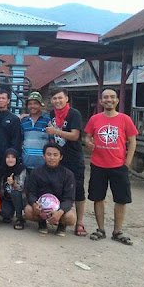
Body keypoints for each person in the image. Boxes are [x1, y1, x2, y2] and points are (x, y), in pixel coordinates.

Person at [84, 88, 138, 246]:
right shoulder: (95, 119)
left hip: (118, 165)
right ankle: (100, 229)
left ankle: (117, 231)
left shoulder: (125, 119)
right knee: (97, 197)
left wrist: (127, 162)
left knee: (121, 199)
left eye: (112, 97)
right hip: (98, 164)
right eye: (106, 97)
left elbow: (132, 141)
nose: (109, 99)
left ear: (117, 100)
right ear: (101, 101)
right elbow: (87, 136)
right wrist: (88, 142)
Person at [46, 87, 87, 236]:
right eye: (54, 98)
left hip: (74, 158)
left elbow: (75, 136)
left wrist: (55, 131)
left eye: (60, 98)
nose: (57, 101)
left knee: (78, 191)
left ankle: (80, 222)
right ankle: (58, 220)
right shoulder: (52, 114)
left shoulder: (74, 114)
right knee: (58, 189)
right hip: (57, 158)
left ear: (66, 99)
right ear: (51, 100)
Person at [24, 143, 77, 236]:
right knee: (28, 210)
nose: (52, 158)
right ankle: (42, 223)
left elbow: (69, 198)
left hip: (59, 209)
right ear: (44, 156)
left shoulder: (68, 174)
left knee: (71, 217)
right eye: (48, 154)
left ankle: (61, 226)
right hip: (41, 208)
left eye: (55, 155)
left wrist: (59, 212)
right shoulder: (36, 172)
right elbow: (31, 193)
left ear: (61, 157)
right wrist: (34, 205)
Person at [21, 92, 51, 171]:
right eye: (30, 104)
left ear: (40, 105)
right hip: (26, 165)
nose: (32, 106)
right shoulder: (23, 121)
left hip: (44, 167)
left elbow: (52, 142)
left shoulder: (48, 121)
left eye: (35, 103)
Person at [0, 148, 27, 229]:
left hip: (21, 198)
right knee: (5, 214)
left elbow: (22, 188)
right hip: (7, 198)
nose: (10, 160)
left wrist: (13, 184)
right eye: (8, 157)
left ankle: (19, 218)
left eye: (13, 157)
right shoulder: (1, 169)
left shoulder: (21, 169)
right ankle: (9, 213)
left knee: (15, 193)